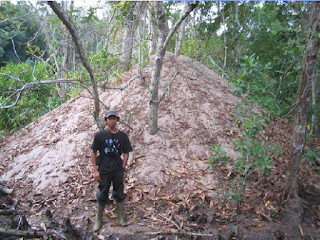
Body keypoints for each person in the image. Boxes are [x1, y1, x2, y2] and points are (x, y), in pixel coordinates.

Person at [91, 109, 133, 231]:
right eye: (109, 118)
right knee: (102, 193)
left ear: (117, 120)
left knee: (119, 192)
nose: (112, 120)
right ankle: (98, 220)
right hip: (104, 169)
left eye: (114, 118)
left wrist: (123, 167)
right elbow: (93, 152)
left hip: (117, 169)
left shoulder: (122, 136)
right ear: (105, 120)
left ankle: (120, 217)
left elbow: (126, 153)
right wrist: (95, 170)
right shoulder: (100, 136)